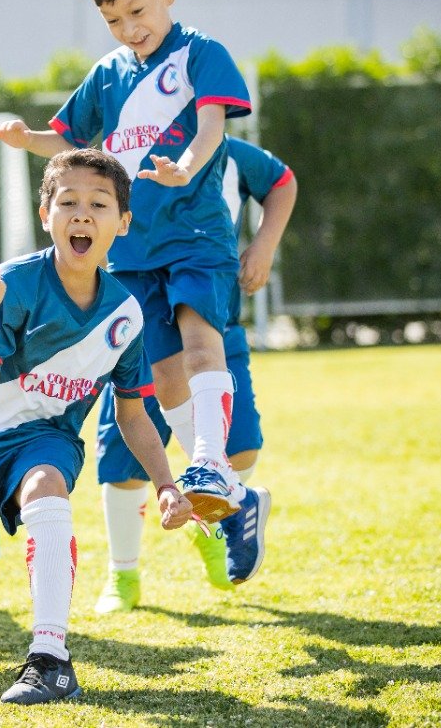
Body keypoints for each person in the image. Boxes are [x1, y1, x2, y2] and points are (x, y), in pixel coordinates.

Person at [0, 0, 270, 583]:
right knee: (164, 377)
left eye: (138, 11)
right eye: (114, 20)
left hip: (196, 233)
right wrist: (21, 136)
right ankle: (235, 498)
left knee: (204, 346)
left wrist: (186, 168)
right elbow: (65, 135)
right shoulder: (108, 75)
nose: (129, 28)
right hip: (133, 250)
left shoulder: (202, 53)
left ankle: (209, 461)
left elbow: (211, 127)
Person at [0, 148, 192, 705]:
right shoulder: (13, 286)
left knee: (47, 484)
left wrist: (167, 483)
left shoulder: (126, 315)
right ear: (46, 214)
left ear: (124, 222)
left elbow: (133, 413)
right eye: (67, 202)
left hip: (47, 440)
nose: (82, 215)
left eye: (99, 204)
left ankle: (49, 657)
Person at [94, 137, 297, 611]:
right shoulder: (122, 144)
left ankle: (220, 513)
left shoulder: (224, 148)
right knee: (126, 463)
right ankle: (122, 575)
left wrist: (264, 246)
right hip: (141, 326)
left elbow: (282, 182)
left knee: (240, 443)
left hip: (212, 325)